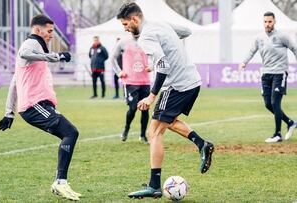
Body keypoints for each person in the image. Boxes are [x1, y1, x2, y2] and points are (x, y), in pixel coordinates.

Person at [116, 3, 215, 199]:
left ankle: (154, 185)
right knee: (165, 122)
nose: (125, 28)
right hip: (191, 81)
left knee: (154, 131)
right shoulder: (160, 24)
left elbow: (163, 65)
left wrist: (152, 95)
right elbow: (186, 31)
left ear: (135, 20)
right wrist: (169, 48)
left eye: (126, 24)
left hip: (177, 85)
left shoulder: (145, 36)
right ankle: (202, 144)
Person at [0, 15, 81, 201]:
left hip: (37, 105)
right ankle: (60, 183)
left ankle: (60, 182)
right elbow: (23, 53)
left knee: (70, 134)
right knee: (71, 132)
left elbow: (14, 83)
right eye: (49, 31)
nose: (51, 35)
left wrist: (9, 113)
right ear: (37, 30)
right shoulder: (31, 43)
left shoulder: (37, 48)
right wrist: (56, 56)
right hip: (34, 106)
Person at [239, 11, 297, 143]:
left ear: (274, 22)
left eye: (270, 22)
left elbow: (295, 48)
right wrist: (244, 62)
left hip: (280, 73)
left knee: (275, 102)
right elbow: (251, 51)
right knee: (268, 104)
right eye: (265, 22)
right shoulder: (259, 38)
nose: (267, 24)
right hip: (266, 74)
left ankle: (277, 134)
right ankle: (290, 122)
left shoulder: (282, 36)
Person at [112, 34, 151, 144]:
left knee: (145, 109)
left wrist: (152, 65)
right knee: (133, 108)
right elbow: (113, 57)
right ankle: (126, 128)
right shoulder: (124, 41)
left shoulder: (148, 41)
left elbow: (155, 55)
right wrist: (119, 72)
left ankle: (143, 136)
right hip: (130, 81)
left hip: (145, 81)